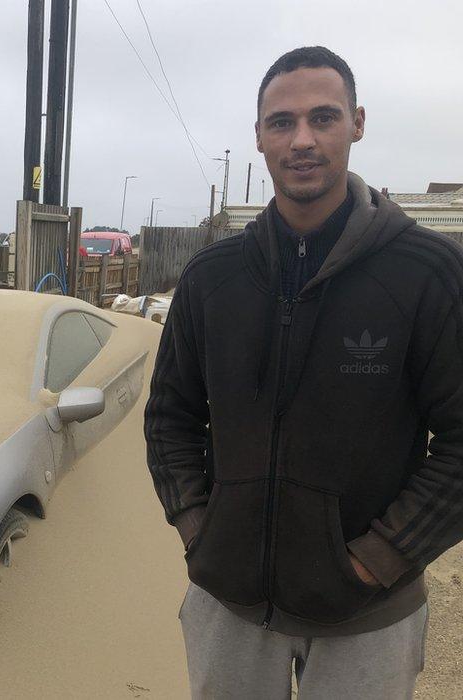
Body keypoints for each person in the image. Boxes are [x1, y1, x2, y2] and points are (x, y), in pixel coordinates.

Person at [145, 46, 463, 699]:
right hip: (229, 607)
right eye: (282, 122)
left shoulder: (427, 273)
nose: (303, 139)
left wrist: (379, 560)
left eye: (324, 117)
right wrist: (199, 528)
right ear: (258, 136)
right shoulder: (211, 278)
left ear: (358, 123)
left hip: (369, 617)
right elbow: (170, 416)